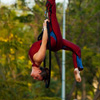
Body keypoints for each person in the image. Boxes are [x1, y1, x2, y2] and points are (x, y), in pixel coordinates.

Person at [29, 0, 83, 82]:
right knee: (52, 12)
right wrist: (45, 28)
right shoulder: (38, 59)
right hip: (54, 41)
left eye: (35, 78)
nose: (34, 77)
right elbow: (43, 43)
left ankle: (77, 69)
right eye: (36, 77)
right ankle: (77, 68)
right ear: (39, 71)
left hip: (53, 42)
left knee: (76, 49)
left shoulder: (33, 61)